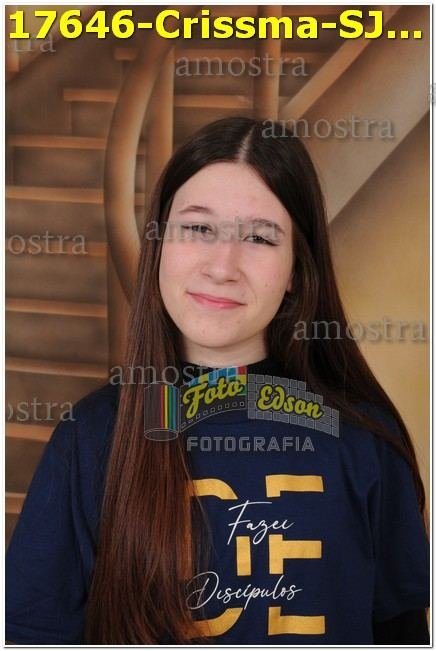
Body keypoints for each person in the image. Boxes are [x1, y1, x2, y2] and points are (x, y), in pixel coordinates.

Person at [6, 117, 429, 645]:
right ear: (159, 244)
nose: (222, 266)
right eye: (199, 229)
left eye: (259, 237)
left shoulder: (365, 439)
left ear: (296, 270)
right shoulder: (90, 437)